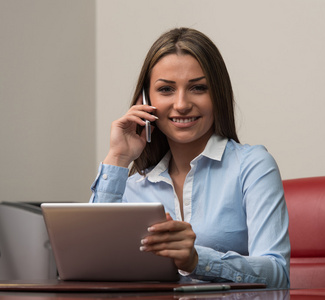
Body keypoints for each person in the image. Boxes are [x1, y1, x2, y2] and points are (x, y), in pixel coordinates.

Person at [90, 27, 290, 288]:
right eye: (166, 90)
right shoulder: (134, 185)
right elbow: (92, 262)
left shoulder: (252, 165)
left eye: (197, 87)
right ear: (145, 99)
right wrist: (118, 157)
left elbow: (278, 273)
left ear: (217, 95)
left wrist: (197, 260)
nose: (182, 104)